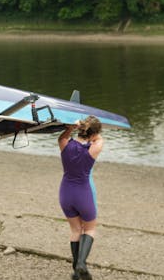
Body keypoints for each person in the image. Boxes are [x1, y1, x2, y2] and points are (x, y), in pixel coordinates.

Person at [58, 115, 103, 280]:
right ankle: (81, 264)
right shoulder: (94, 148)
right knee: (89, 229)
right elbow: (98, 138)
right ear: (93, 134)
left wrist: (72, 127)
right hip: (83, 193)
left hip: (65, 193)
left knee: (75, 230)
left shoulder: (64, 144)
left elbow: (63, 136)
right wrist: (91, 130)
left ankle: (77, 270)